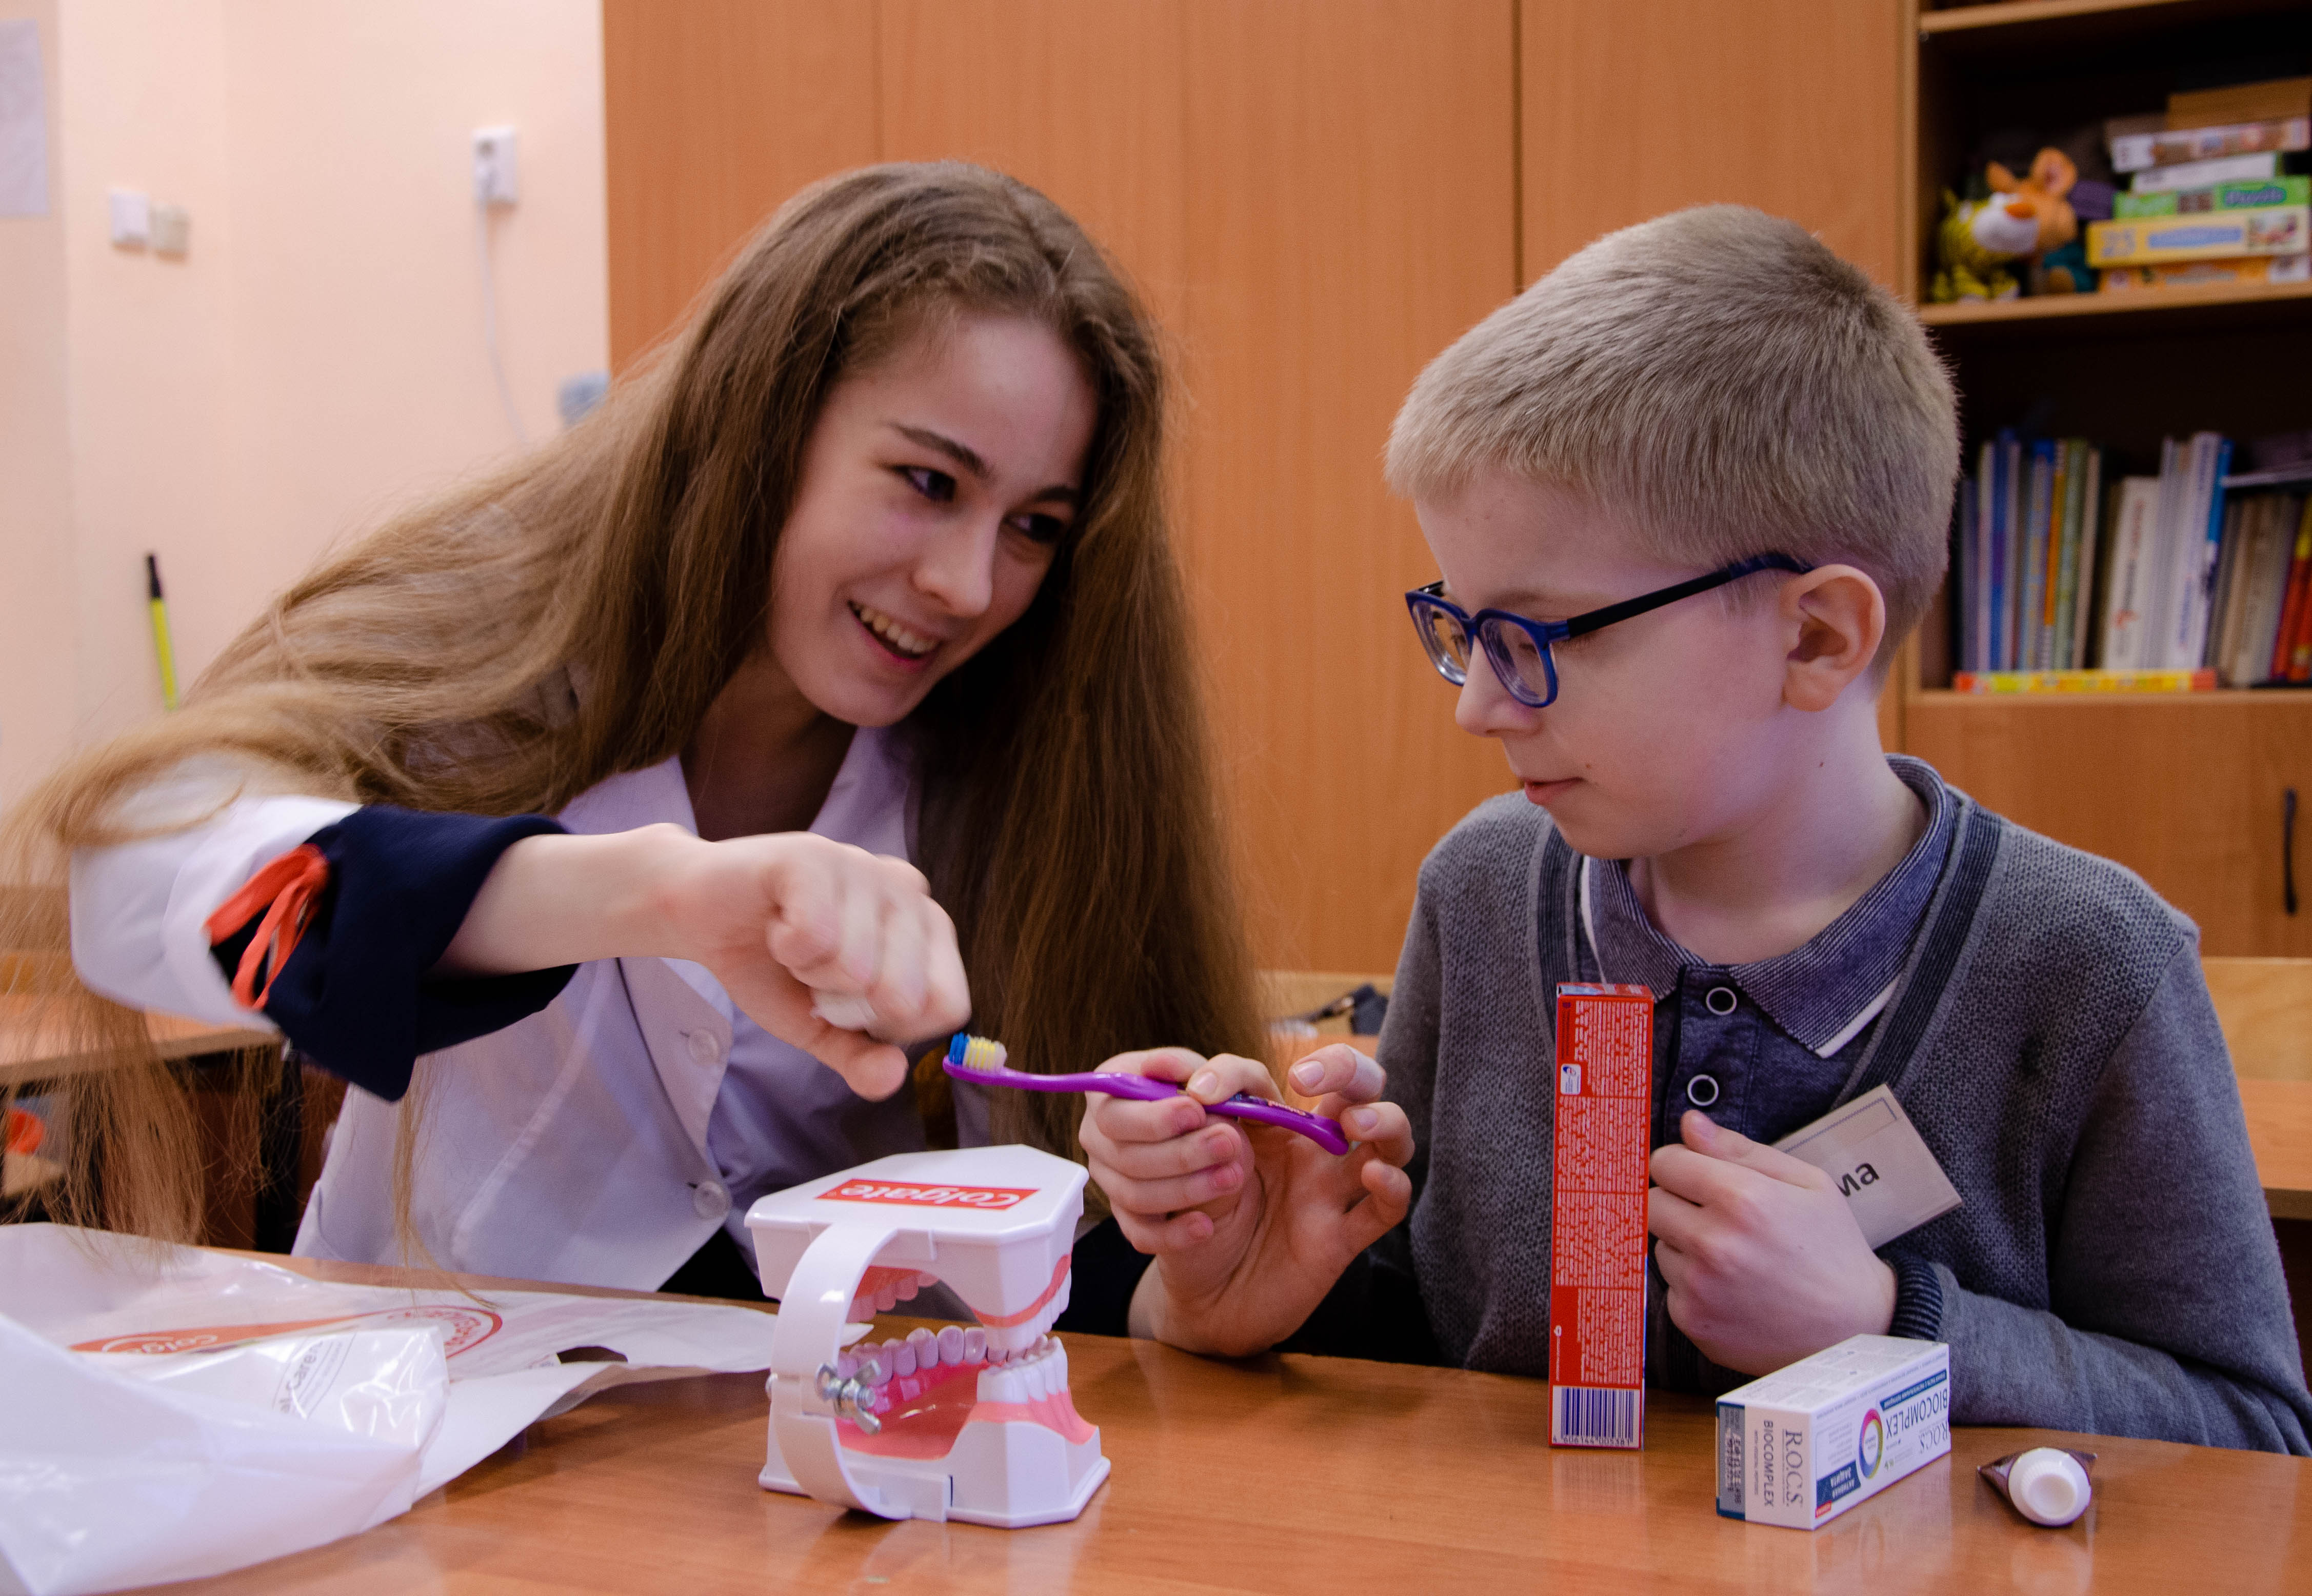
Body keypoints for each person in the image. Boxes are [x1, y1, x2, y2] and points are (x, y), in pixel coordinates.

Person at [1078, 205, 2312, 1452]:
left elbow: (2250, 1434)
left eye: (1539, 636)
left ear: (1816, 635)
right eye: (1463, 628)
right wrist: (1252, 1280)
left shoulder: (2089, 960)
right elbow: (1440, 1336)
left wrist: (1886, 1322)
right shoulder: (1484, 889)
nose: (1478, 704)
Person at [5, 162, 1263, 1303]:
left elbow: (1094, 1266)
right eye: (927, 482)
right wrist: (642, 894)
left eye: (1034, 527)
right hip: (435, 1404)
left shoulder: (1029, 756)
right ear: (761, 424)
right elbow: (138, 891)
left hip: (844, 1436)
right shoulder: (486, 632)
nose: (968, 584)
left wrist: (1199, 1247)